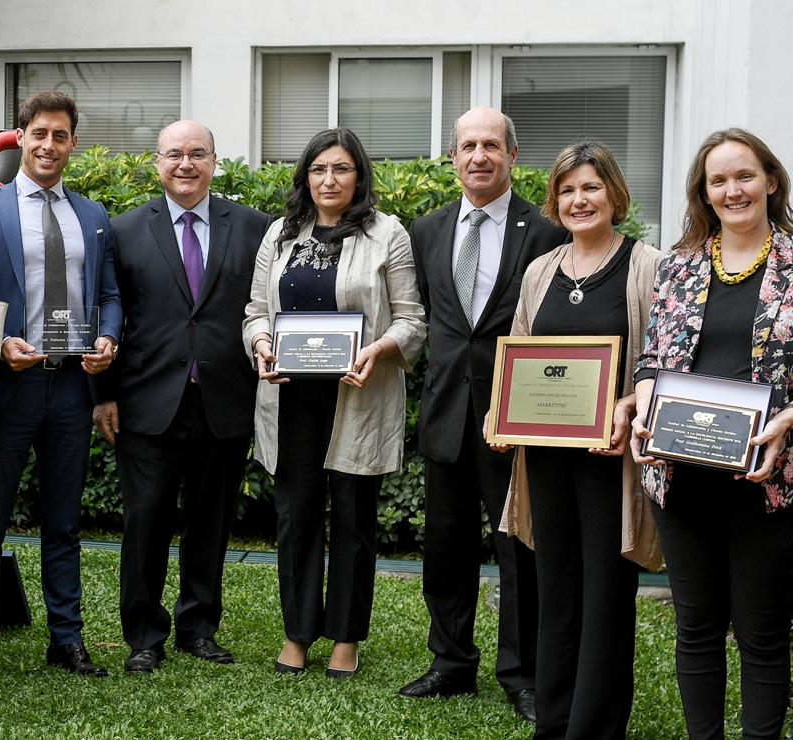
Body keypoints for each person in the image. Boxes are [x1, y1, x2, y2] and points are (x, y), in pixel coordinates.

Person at [630, 128, 793, 740]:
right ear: (704, 193)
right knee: (696, 627)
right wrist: (646, 395)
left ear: (770, 180)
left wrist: (791, 415)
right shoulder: (678, 267)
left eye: (744, 176)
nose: (733, 190)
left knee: (761, 632)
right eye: (718, 181)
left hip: (775, 476)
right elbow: (654, 357)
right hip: (683, 468)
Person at [493, 139, 664, 740]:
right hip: (543, 455)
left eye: (590, 187)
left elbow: (664, 363)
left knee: (606, 590)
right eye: (567, 190)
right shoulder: (541, 270)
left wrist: (627, 403)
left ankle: (593, 725)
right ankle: (554, 719)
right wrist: (500, 417)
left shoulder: (649, 266)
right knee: (555, 584)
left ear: (614, 194)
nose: (578, 199)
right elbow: (518, 355)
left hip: (611, 459)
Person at [243, 127, 428, 678]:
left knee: (352, 520)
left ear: (359, 176)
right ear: (305, 175)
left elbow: (412, 317)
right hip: (289, 396)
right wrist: (261, 343)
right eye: (319, 168)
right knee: (295, 518)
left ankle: (345, 637)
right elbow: (256, 310)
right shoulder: (281, 233)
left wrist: (378, 348)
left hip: (358, 395)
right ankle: (297, 634)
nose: (329, 179)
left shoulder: (386, 233)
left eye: (341, 168)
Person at [404, 106, 568, 721]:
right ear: (452, 157)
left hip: (517, 416)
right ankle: (450, 663)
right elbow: (427, 318)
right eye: (467, 146)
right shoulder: (426, 230)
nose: (479, 156)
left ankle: (522, 674)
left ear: (511, 155)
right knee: (445, 545)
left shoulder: (545, 232)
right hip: (447, 410)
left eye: (491, 146)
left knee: (518, 548)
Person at [0, 91, 123, 687]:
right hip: (8, 390)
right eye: (39, 133)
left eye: (61, 135)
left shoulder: (94, 216)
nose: (49, 145)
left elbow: (107, 295)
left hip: (73, 388)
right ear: (19, 137)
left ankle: (67, 639)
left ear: (73, 143)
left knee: (64, 523)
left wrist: (107, 339)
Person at [92, 121, 273, 674]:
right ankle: (144, 636)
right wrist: (103, 395)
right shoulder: (121, 231)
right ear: (156, 162)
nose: (186, 164)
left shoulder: (255, 228)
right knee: (145, 521)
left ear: (215, 161)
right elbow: (107, 309)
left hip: (223, 399)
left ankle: (199, 627)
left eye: (197, 154)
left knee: (210, 522)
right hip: (146, 401)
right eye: (174, 155)